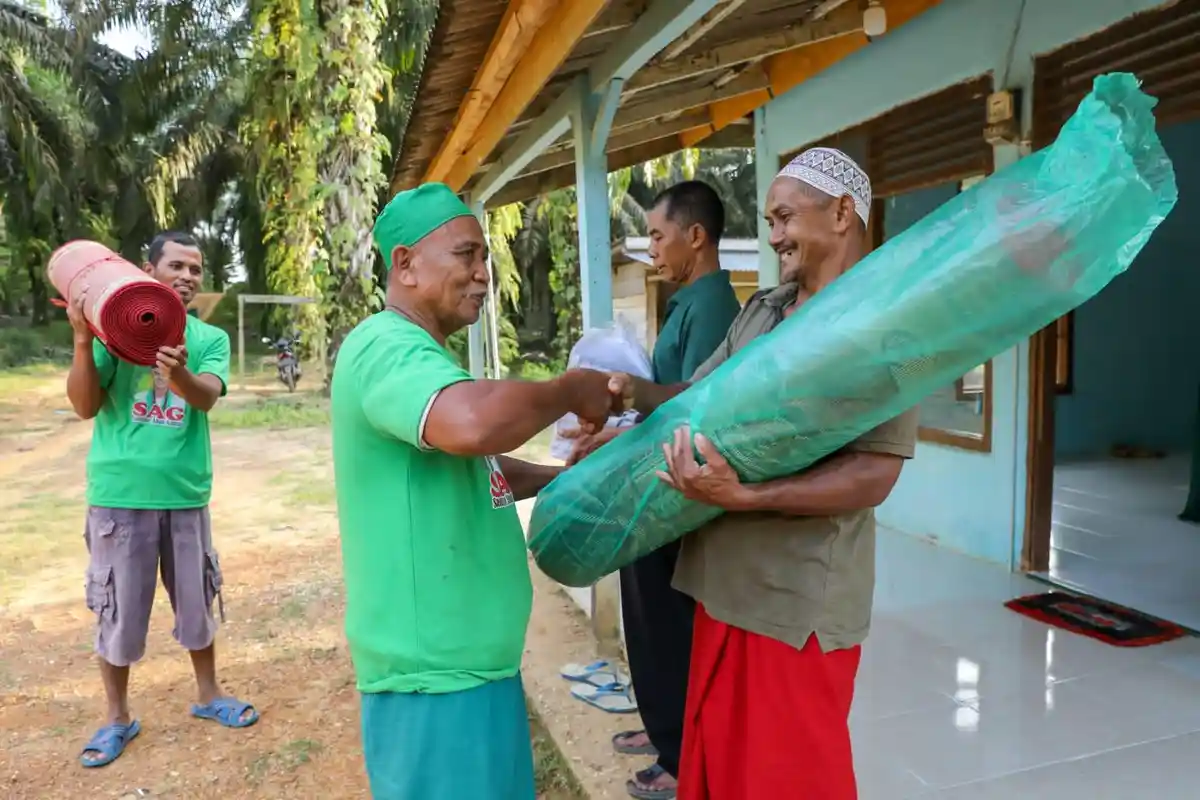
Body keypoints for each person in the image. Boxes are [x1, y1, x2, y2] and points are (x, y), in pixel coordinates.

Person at [580, 148, 918, 799]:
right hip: (721, 586)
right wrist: (627, 409)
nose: (773, 235)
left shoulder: (882, 325)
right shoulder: (764, 309)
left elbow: (875, 472)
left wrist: (750, 493)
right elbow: (695, 398)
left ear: (842, 212)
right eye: (769, 219)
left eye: (785, 216)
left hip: (794, 606)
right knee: (722, 770)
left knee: (788, 776)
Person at [331, 182, 617, 800]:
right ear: (404, 263)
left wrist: (562, 479)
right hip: (433, 678)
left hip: (470, 668)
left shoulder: (423, 358)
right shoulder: (384, 346)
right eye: (466, 255)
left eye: (484, 258)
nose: (484, 274)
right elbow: (473, 424)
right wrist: (570, 389)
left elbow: (479, 464)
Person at [572, 182, 740, 800]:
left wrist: (635, 401)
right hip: (655, 484)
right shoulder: (688, 303)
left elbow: (699, 406)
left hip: (675, 497)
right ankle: (660, 723)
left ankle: (679, 753)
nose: (652, 251)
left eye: (658, 236)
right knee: (647, 618)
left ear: (696, 236)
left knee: (669, 627)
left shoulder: (714, 307)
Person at [68, 231, 252, 769]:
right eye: (176, 265)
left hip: (186, 495)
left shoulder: (208, 337)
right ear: (149, 270)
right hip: (120, 497)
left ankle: (209, 695)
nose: (188, 277)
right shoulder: (112, 333)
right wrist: (83, 340)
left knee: (197, 605)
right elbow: (84, 406)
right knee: (119, 614)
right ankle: (117, 718)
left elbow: (208, 397)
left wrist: (179, 373)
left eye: (196, 269)